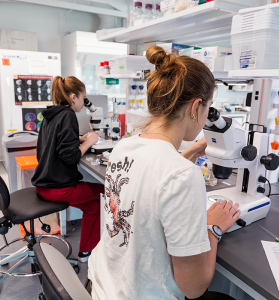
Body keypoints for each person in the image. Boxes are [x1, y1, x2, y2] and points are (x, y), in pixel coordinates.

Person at [87, 46, 241, 299]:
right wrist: (213, 229)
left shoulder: (123, 146)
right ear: (195, 107)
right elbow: (193, 288)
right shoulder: (183, 175)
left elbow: (151, 176)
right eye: (208, 109)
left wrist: (190, 152)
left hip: (102, 284)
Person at [31, 76, 102, 262]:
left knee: (93, 206)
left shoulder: (50, 115)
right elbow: (70, 157)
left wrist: (77, 139)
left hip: (44, 184)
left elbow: (48, 146)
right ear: (73, 97)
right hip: (59, 189)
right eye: (83, 97)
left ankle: (86, 252)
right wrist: (90, 141)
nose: (83, 102)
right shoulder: (68, 115)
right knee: (108, 190)